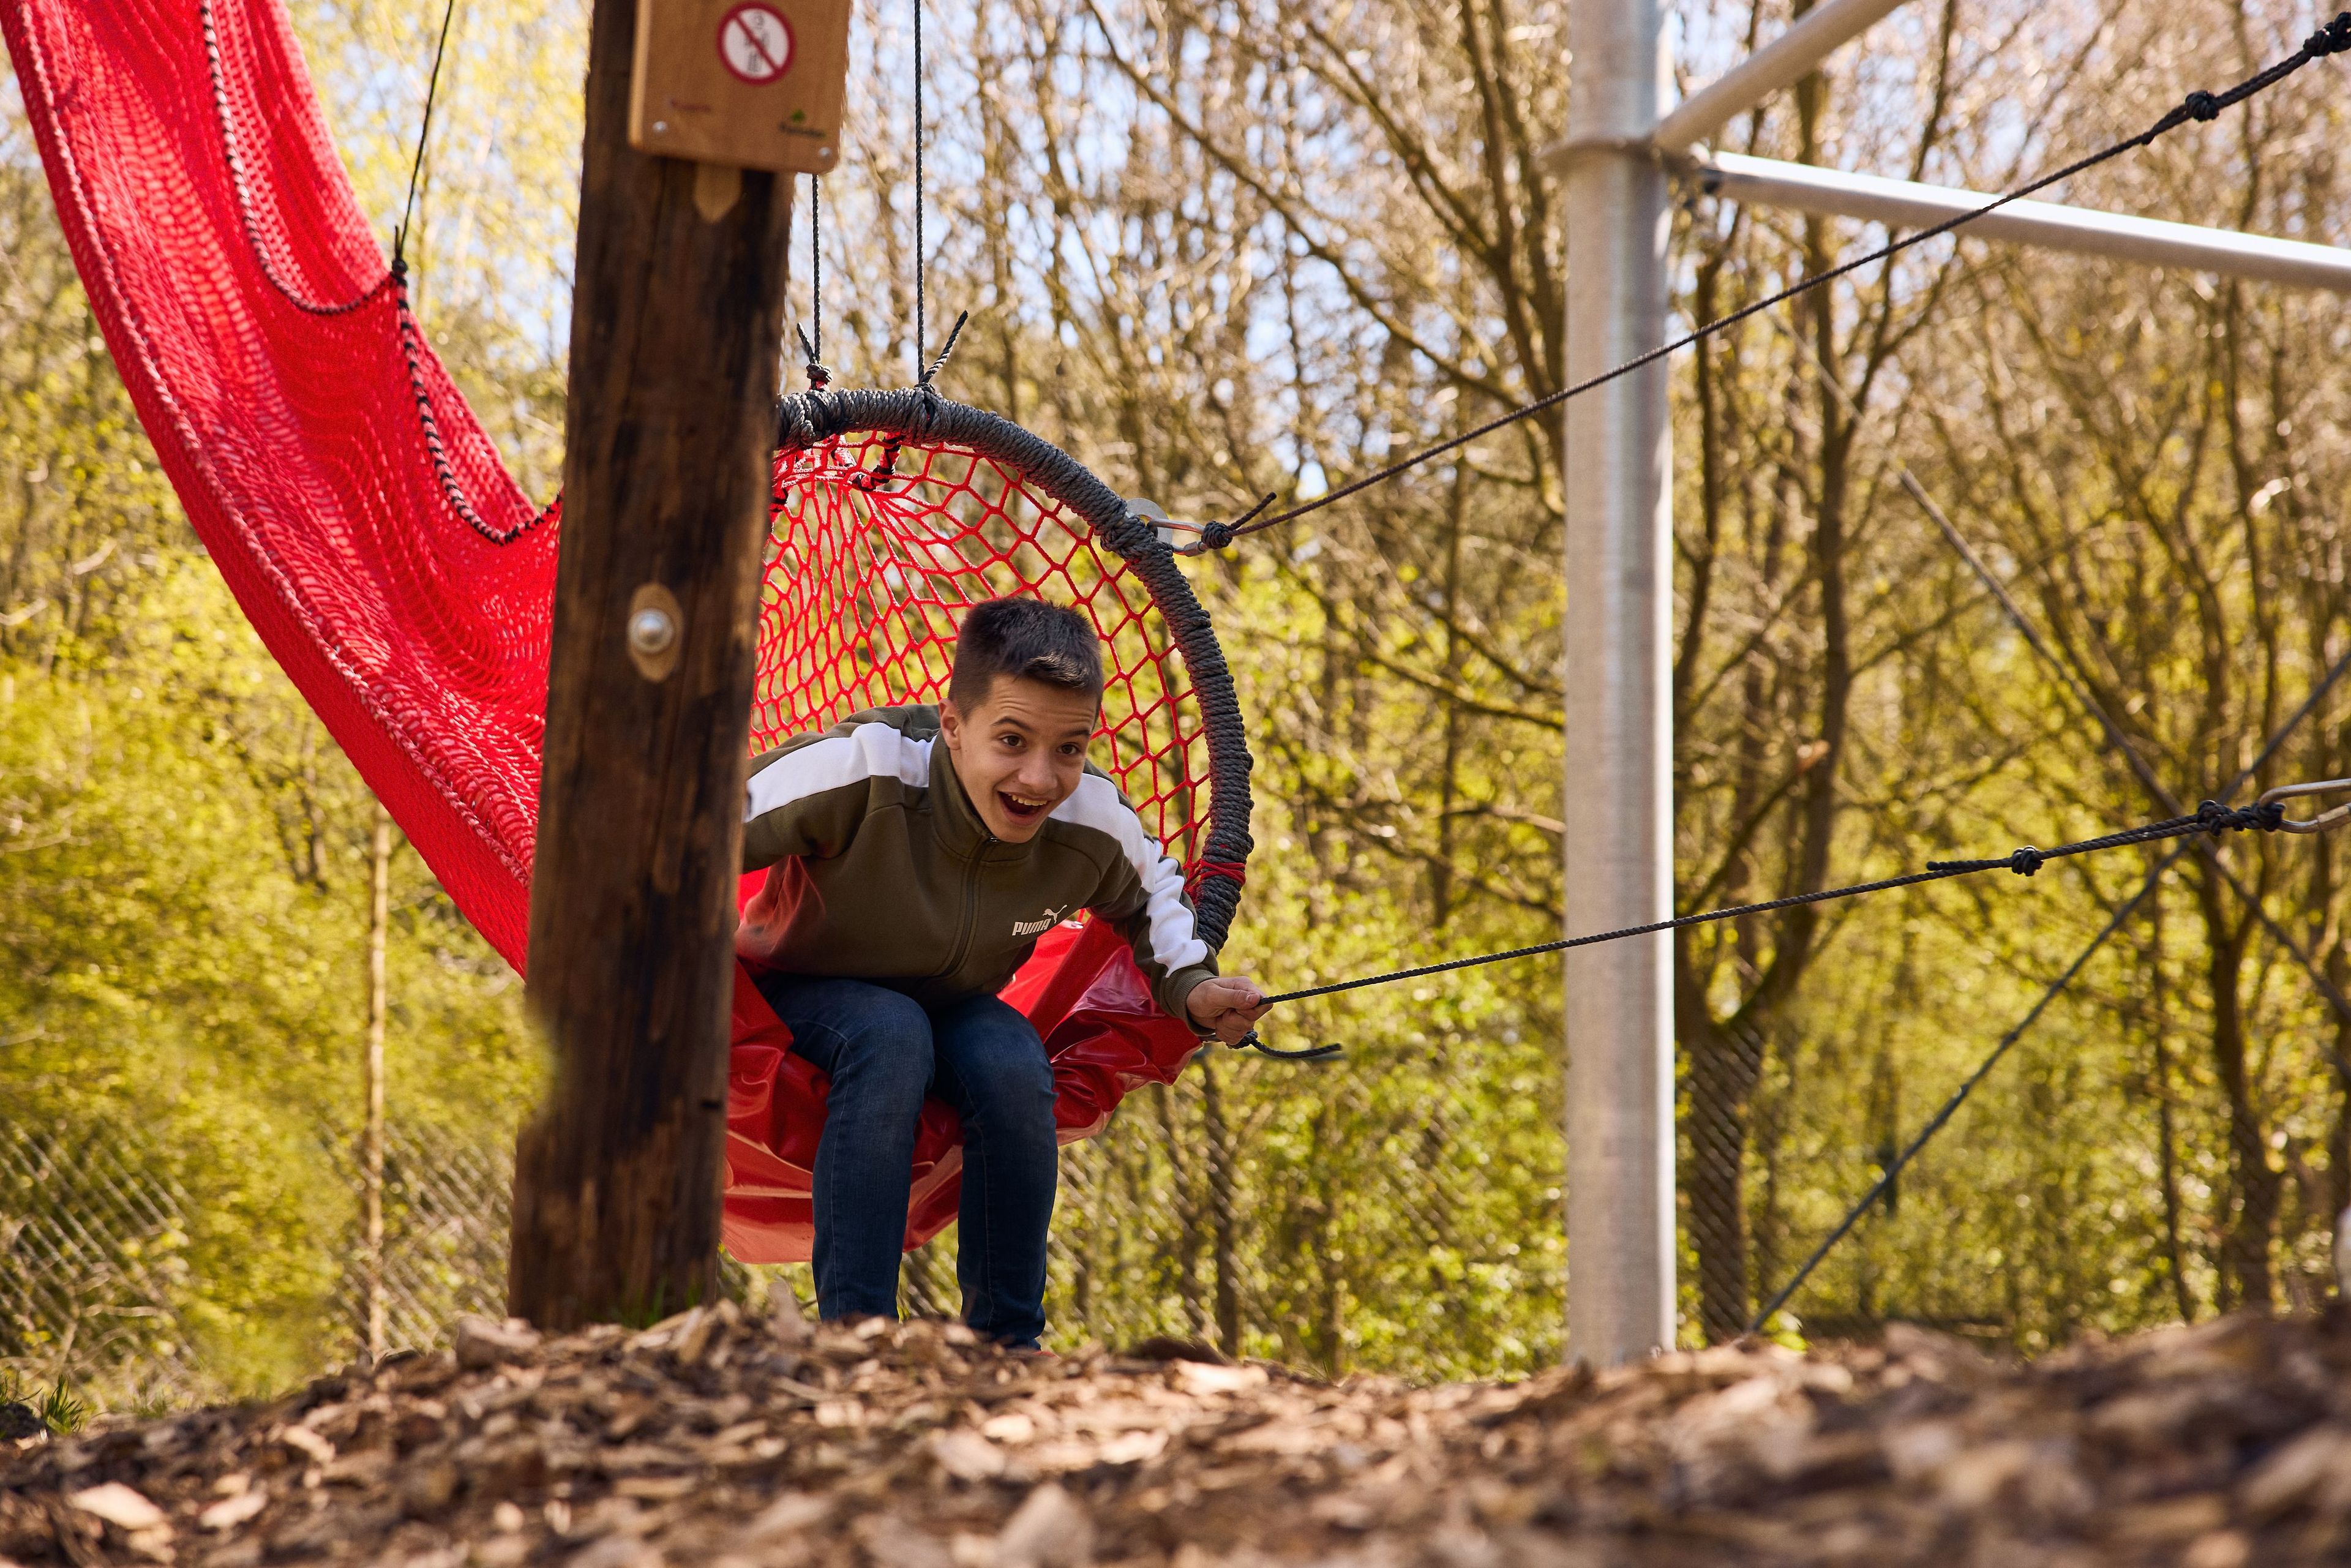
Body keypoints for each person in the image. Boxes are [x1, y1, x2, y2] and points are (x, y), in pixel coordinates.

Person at [737, 596, 1270, 1348]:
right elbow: (708, 827)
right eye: (1011, 740)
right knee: (892, 1035)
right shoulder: (868, 767)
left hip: (956, 1002)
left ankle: (1007, 1341)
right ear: (953, 726)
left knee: (1016, 1063)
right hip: (803, 989)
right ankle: (858, 1336)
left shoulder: (1090, 820)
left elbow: (1154, 896)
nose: (1040, 776)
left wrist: (1195, 986)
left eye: (1070, 748)